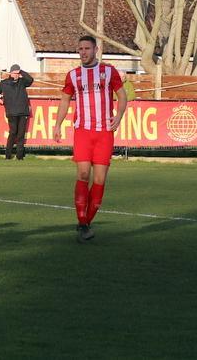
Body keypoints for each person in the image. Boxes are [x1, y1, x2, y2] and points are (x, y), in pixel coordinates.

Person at [53, 35, 127, 243]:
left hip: (104, 132)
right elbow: (65, 100)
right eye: (80, 49)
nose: (83, 52)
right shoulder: (73, 75)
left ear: (96, 49)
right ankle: (83, 223)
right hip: (83, 131)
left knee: (100, 179)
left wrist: (118, 117)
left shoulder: (108, 71)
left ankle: (85, 222)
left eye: (87, 48)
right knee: (83, 174)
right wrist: (57, 125)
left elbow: (122, 96)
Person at [0, 64, 34, 160]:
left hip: (23, 111)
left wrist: (21, 71)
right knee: (13, 132)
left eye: (18, 73)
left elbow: (30, 80)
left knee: (21, 134)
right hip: (11, 112)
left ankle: (19, 156)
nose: (17, 75)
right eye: (15, 73)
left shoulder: (22, 82)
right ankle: (8, 155)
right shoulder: (4, 83)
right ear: (10, 73)